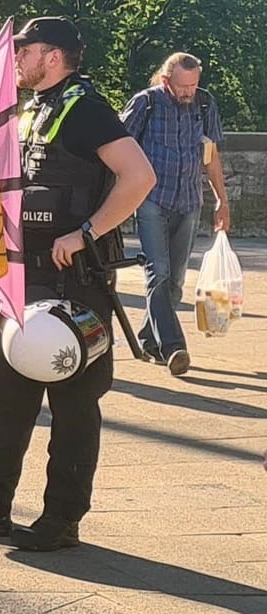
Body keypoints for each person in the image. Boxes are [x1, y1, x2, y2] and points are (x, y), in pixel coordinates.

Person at [0, 17, 155, 551]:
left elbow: (140, 176)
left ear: (52, 56)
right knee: (2, 394)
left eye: (24, 49)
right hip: (22, 278)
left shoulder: (87, 110)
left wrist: (87, 233)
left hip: (75, 281)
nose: (17, 58)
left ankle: (62, 519)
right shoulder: (33, 108)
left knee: (74, 404)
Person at [121, 52, 230, 376]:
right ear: (167, 81)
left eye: (194, 85)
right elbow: (118, 147)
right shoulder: (146, 103)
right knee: (159, 271)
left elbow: (211, 156)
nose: (189, 92)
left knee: (176, 282)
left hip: (189, 201)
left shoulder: (205, 104)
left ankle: (148, 340)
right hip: (151, 198)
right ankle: (174, 347)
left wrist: (221, 200)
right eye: (183, 86)